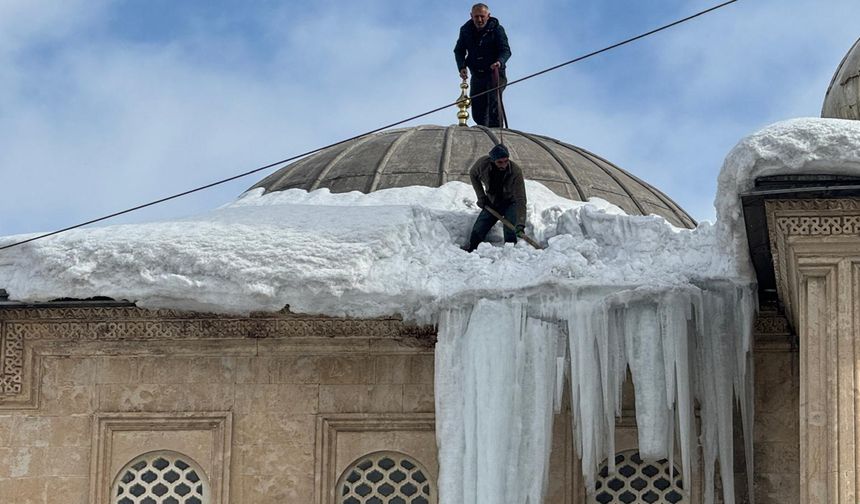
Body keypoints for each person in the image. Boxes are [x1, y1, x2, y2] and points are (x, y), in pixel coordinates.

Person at [454, 3, 511, 127]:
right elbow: (459, 50)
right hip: (477, 74)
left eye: (482, 16)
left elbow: (505, 50)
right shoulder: (465, 30)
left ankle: (496, 131)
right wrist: (462, 66)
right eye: (476, 17)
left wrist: (499, 62)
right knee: (477, 109)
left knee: (494, 101)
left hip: (494, 73)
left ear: (488, 16)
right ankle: (483, 133)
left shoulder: (497, 29)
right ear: (471, 16)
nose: (479, 20)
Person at [465, 143, 527, 252]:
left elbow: (521, 199)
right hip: (492, 202)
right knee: (479, 228)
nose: (503, 165)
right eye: (500, 162)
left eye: (506, 161)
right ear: (492, 161)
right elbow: (473, 174)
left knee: (510, 228)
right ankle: (472, 249)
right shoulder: (483, 164)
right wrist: (481, 197)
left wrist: (520, 223)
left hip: (510, 202)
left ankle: (510, 252)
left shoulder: (515, 171)